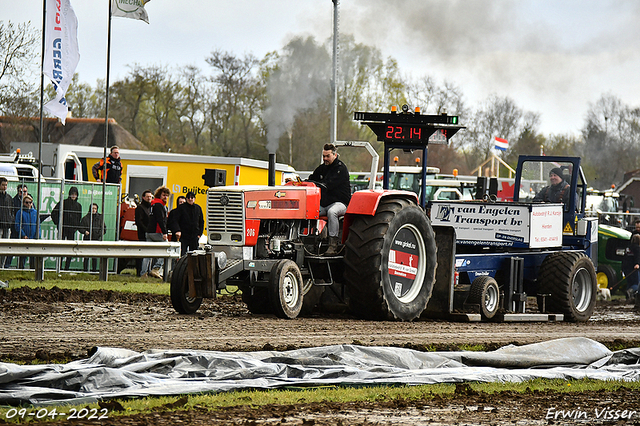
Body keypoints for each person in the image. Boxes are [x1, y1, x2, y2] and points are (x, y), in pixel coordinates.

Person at [307, 143, 351, 256]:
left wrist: (316, 184)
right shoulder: (322, 168)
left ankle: (333, 244)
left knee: (333, 212)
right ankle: (309, 240)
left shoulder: (341, 169)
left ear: (335, 155)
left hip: (341, 203)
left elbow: (328, 185)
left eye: (327, 156)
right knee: (308, 210)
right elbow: (311, 179)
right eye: (323, 156)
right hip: (325, 203)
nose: (325, 159)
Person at [51, 186, 83, 270]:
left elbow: (79, 217)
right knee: (61, 248)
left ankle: (66, 268)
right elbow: (54, 213)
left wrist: (75, 227)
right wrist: (58, 224)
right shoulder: (63, 203)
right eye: (72, 194)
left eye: (75, 194)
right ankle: (59, 267)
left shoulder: (78, 206)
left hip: (71, 231)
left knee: (70, 250)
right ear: (69, 194)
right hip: (63, 229)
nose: (73, 196)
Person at [145, 186, 170, 279]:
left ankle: (143, 273)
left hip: (149, 231)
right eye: (164, 195)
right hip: (157, 231)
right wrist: (164, 233)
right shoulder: (160, 205)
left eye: (167, 195)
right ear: (159, 195)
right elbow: (161, 220)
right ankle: (156, 268)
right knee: (167, 249)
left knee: (147, 253)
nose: (165, 197)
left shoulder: (152, 204)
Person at [4, 184, 29, 268]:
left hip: (25, 229)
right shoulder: (14, 201)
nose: (23, 194)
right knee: (12, 248)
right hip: (15, 228)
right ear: (18, 192)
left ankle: (21, 267)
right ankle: (7, 266)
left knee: (24, 250)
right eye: (21, 192)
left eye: (25, 192)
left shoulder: (29, 201)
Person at [174, 191, 204, 256]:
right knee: (182, 253)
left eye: (192, 197)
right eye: (188, 197)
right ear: (186, 199)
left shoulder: (198, 208)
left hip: (194, 235)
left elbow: (201, 221)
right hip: (184, 235)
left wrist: (199, 234)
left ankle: (192, 266)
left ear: (194, 199)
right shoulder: (181, 208)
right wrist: (178, 230)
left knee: (194, 254)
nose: (190, 199)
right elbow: (176, 220)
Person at [80, 203, 106, 272]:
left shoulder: (100, 218)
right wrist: (85, 231)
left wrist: (99, 234)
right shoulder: (85, 218)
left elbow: (104, 229)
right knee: (86, 256)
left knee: (95, 257)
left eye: (95, 208)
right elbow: (80, 228)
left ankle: (94, 271)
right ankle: (85, 270)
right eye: (92, 208)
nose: (94, 210)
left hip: (96, 239)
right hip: (87, 239)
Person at [15, 194, 37, 269]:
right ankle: (21, 270)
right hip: (24, 237)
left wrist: (37, 235)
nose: (28, 204)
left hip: (33, 237)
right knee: (23, 256)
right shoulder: (20, 212)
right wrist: (23, 235)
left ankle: (33, 271)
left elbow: (38, 225)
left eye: (30, 202)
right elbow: (17, 225)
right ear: (23, 203)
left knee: (33, 257)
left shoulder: (35, 213)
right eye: (26, 202)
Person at [135, 189, 153, 277]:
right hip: (143, 234)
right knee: (142, 253)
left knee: (149, 253)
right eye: (148, 196)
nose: (149, 198)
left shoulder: (152, 207)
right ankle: (140, 271)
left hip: (150, 233)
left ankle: (147, 271)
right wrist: (146, 230)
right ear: (143, 197)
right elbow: (139, 221)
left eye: (151, 196)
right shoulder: (140, 208)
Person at [0, 177, 14, 267]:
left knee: (5, 248)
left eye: (6, 185)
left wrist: (11, 220)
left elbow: (12, 211)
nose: (5, 187)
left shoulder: (9, 198)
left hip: (7, 226)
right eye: (3, 185)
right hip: (0, 225)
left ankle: (1, 266)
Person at [622, 234, 640, 302]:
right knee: (636, 283)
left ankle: (628, 297)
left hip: (626, 267)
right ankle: (630, 292)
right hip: (633, 268)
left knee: (629, 282)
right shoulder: (637, 248)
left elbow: (624, 258)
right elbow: (638, 257)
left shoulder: (628, 248)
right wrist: (637, 264)